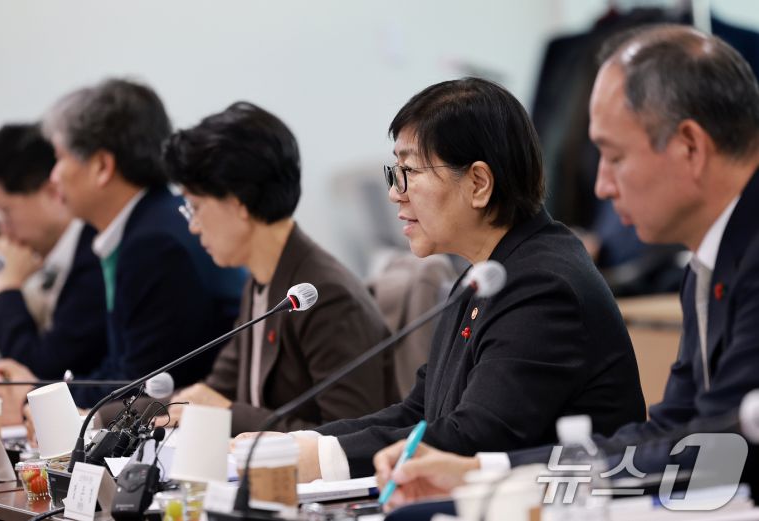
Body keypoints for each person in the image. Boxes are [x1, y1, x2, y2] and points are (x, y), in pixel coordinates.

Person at [373, 25, 759, 506]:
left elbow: (719, 451)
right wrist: (486, 473)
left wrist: (492, 476)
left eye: (614, 156)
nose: (601, 186)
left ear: (690, 148)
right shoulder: (710, 262)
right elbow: (669, 434)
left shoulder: (544, 281)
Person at [239, 77, 646, 482]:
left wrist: (323, 458)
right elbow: (420, 412)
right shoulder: (485, 273)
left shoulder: (543, 286)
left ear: (478, 184)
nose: (395, 193)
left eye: (410, 171)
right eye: (395, 171)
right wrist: (300, 444)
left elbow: (476, 435)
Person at [161, 101, 398, 435]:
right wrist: (101, 416)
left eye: (195, 207)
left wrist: (227, 412)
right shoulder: (262, 281)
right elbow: (211, 392)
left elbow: (350, 435)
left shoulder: (325, 296)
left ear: (238, 202)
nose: (193, 226)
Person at [36, 78, 245, 408]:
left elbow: (137, 385)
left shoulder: (155, 245)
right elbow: (120, 369)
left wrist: (39, 398)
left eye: (60, 158)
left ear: (102, 166)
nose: (53, 176)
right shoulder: (146, 224)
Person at [0, 123, 107, 425]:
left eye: (4, 212)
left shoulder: (95, 256)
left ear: (52, 192)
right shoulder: (53, 257)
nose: (1, 230)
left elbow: (43, 368)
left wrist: (7, 289)